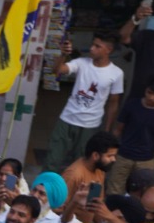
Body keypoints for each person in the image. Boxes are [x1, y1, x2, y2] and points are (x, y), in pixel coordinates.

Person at [48, 30, 125, 167]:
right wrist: (63, 54)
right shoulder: (81, 63)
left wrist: (107, 130)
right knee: (53, 160)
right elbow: (57, 70)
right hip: (67, 119)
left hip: (90, 125)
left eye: (97, 46)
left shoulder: (117, 73)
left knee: (82, 164)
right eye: (92, 44)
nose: (91, 48)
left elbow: (114, 103)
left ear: (108, 50)